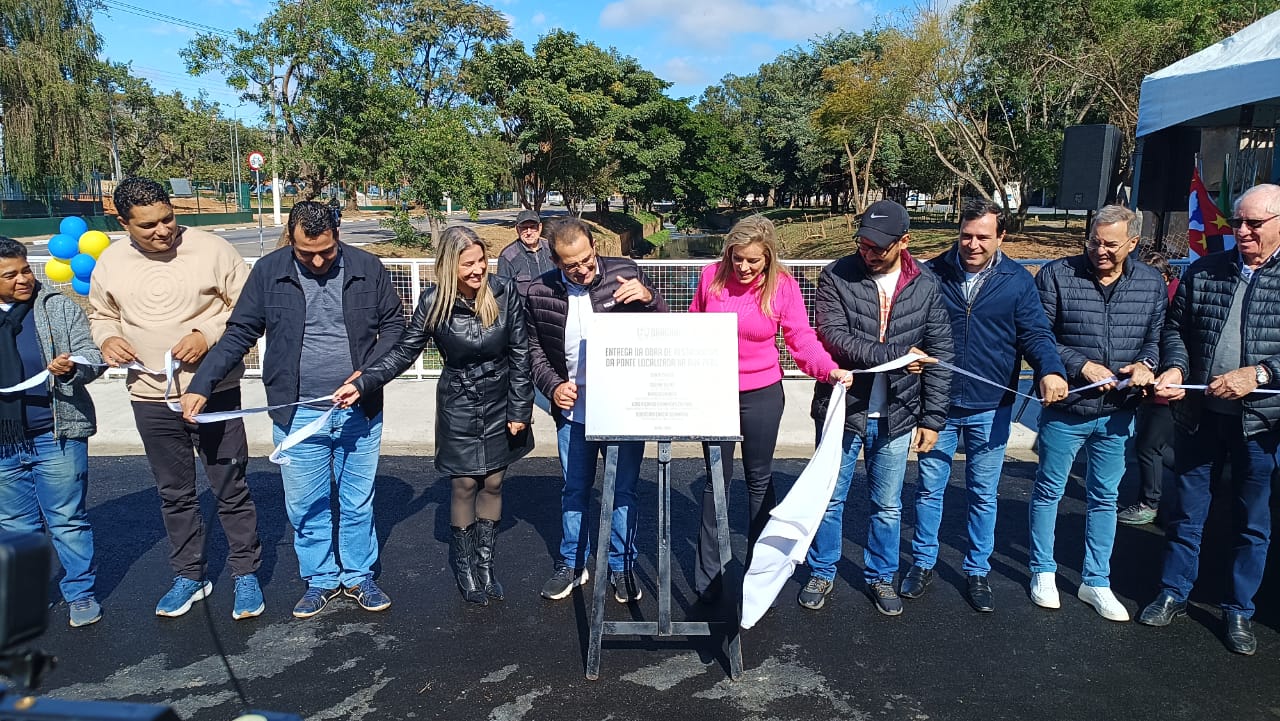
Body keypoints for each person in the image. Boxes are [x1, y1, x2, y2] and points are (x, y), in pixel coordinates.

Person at [181, 200, 404, 619]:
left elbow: (394, 325)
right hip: (296, 413)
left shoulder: (367, 267)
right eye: (306, 253)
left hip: (361, 409)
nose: (318, 261)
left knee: (357, 502)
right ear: (290, 238)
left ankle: (358, 575)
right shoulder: (268, 272)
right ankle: (320, 579)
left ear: (338, 235)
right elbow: (240, 333)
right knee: (306, 503)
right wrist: (202, 383)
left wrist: (367, 376)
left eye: (327, 250)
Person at [89, 177, 264, 620]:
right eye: (148, 226)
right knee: (175, 492)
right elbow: (101, 315)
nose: (163, 230)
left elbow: (249, 308)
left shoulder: (213, 250)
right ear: (122, 221)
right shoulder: (110, 262)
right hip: (150, 399)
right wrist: (107, 339)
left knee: (230, 487)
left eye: (168, 218)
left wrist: (207, 335)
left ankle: (245, 573)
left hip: (215, 392)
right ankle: (190, 574)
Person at [333, 226, 533, 606]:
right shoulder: (433, 302)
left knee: (493, 482)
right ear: (448, 266)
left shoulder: (506, 293)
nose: (478, 270)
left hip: (500, 401)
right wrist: (364, 383)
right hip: (459, 401)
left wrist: (520, 409)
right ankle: (465, 567)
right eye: (468, 264)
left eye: (481, 261)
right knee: (464, 485)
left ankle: (486, 564)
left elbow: (521, 354)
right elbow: (403, 353)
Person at [901, 199, 1069, 613]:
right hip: (937, 404)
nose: (972, 244)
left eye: (983, 237)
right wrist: (909, 351)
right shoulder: (929, 272)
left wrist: (1049, 369)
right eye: (966, 235)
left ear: (1001, 237)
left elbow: (1036, 334)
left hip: (991, 405)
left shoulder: (1017, 281)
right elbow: (909, 325)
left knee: (983, 492)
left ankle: (977, 570)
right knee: (929, 489)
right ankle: (922, 562)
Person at [1140, 183, 1280, 655]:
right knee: (1186, 511)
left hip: (1260, 424)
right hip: (1199, 416)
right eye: (1238, 221)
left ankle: (1239, 609)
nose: (1240, 231)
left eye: (1253, 224)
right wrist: (1176, 367)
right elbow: (1175, 329)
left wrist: (1260, 373)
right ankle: (1173, 591)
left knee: (1251, 522)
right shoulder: (1204, 270)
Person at [687, 215, 852, 604]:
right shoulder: (711, 277)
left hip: (762, 392)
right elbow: (693, 327)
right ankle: (708, 580)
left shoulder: (783, 287)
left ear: (768, 258)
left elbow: (801, 339)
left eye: (752, 261)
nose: (743, 267)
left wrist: (829, 369)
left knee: (759, 480)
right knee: (716, 481)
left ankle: (760, 574)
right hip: (715, 394)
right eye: (737, 258)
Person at [801, 200, 953, 615]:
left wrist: (933, 418)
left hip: (900, 411)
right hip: (843, 408)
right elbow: (833, 338)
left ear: (905, 242)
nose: (867, 253)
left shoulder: (925, 283)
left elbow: (940, 350)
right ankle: (822, 570)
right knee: (830, 499)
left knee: (887, 505)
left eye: (878, 247)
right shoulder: (835, 275)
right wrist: (900, 354)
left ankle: (880, 576)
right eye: (863, 244)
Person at [1031, 204, 1165, 622]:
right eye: (1094, 241)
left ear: (1133, 243)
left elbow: (1158, 338)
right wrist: (1080, 365)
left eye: (1110, 244)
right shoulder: (1057, 274)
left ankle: (1096, 580)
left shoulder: (1151, 282)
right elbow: (1039, 335)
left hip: (1119, 412)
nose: (1100, 251)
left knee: (1105, 498)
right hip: (1068, 408)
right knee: (1049, 491)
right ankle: (1043, 570)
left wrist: (1146, 364)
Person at [525, 216, 668, 603]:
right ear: (555, 262)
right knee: (575, 490)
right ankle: (571, 564)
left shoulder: (624, 273)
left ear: (594, 247)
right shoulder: (539, 292)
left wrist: (650, 298)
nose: (585, 270)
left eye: (589, 259)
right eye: (573, 266)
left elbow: (662, 330)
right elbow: (533, 349)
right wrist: (552, 387)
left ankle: (622, 567)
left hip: (623, 409)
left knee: (623, 491)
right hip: (574, 412)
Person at [0, 237, 105, 627]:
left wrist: (73, 368)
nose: (23, 279)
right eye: (10, 275)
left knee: (67, 520)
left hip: (56, 434)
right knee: (16, 527)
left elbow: (92, 356)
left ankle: (80, 594)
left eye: (25, 269)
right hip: (3, 443)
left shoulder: (57, 306)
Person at [1117, 251, 1178, 526]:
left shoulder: (1169, 309)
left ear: (1164, 279)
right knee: (1156, 445)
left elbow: (1166, 347)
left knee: (1148, 446)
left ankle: (1149, 503)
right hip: (1151, 391)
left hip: (1163, 392)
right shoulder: (1157, 305)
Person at [497, 209, 554, 297]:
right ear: (517, 229)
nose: (529, 232)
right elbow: (503, 293)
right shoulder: (508, 256)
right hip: (523, 309)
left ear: (540, 228)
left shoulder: (551, 249)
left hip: (551, 307)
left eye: (532, 227)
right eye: (524, 228)